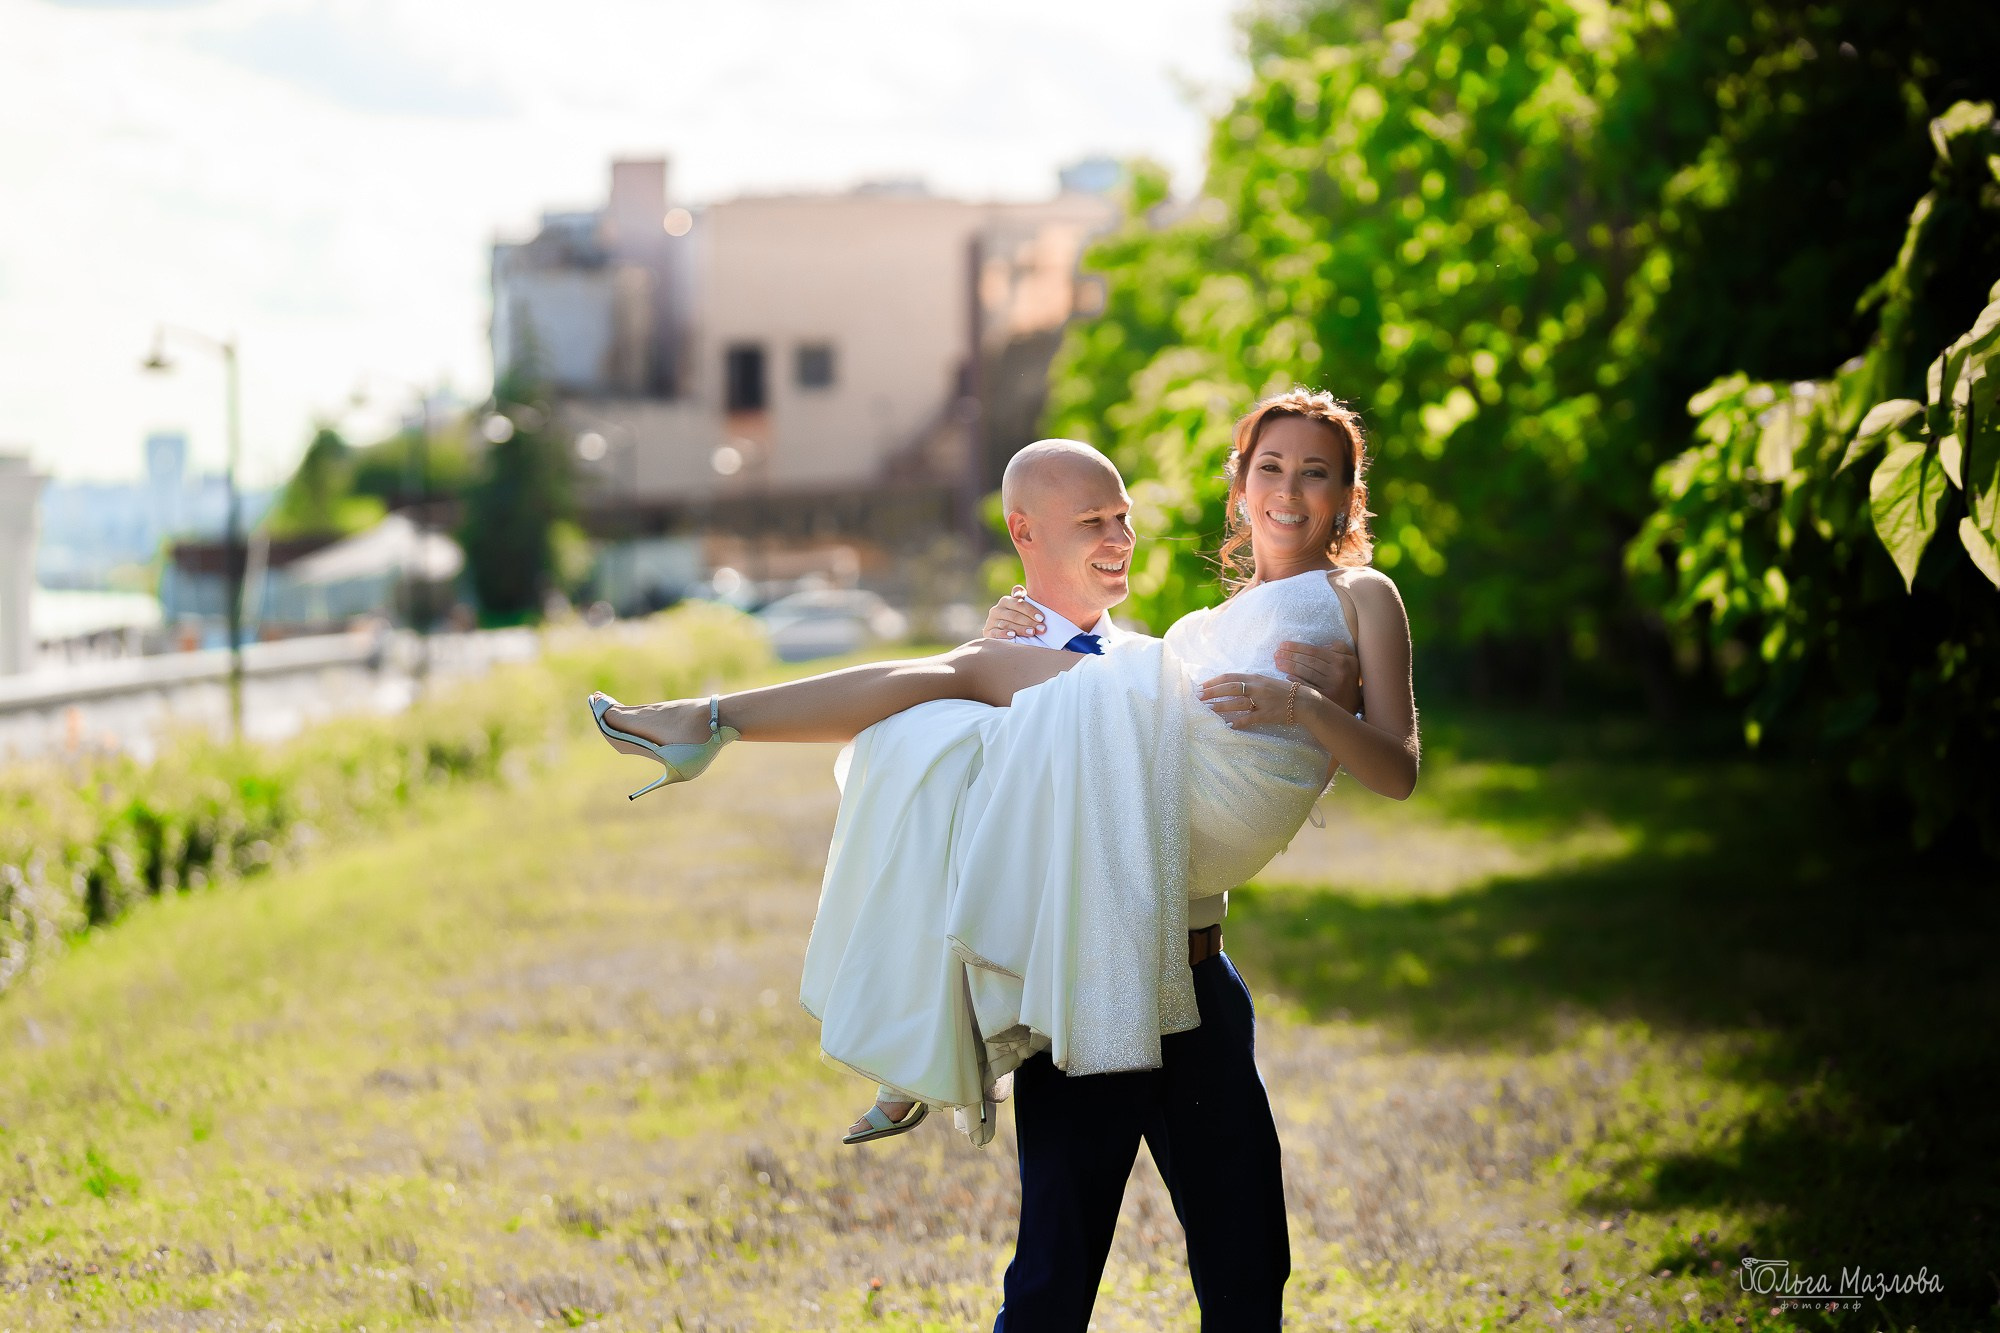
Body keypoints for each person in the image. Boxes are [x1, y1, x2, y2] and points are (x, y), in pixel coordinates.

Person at [589, 388, 1418, 1328]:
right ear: (1239, 487)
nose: (1290, 489)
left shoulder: (1362, 597)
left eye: (1317, 472)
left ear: (1349, 494)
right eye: (1270, 467)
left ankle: (709, 724)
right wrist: (1025, 641)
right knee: (1051, 1278)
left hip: (1196, 978)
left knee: (1246, 1263)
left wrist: (1312, 709)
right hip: (1094, 969)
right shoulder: (1189, 630)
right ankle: (718, 730)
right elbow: (1103, 758)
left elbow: (1396, 768)